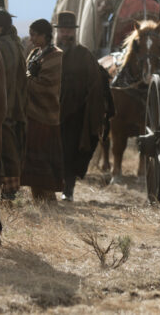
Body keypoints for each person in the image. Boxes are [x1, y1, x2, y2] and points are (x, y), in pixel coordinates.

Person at [54, 11, 109, 202]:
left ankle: (68, 189)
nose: (65, 34)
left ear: (74, 32)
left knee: (71, 153)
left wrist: (91, 112)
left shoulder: (84, 55)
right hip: (51, 112)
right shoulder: (51, 53)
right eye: (62, 30)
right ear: (57, 32)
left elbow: (95, 85)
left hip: (76, 114)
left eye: (69, 30)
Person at [0, 2, 27, 198]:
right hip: (8, 104)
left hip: (5, 105)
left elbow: (2, 77)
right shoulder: (10, 43)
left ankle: (9, 191)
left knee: (7, 148)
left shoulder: (4, 46)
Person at [21, 19, 64, 201]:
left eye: (34, 35)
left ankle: (47, 197)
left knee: (44, 159)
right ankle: (37, 196)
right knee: (32, 159)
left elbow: (49, 85)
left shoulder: (55, 56)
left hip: (46, 115)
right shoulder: (34, 53)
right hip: (31, 114)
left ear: (44, 35)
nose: (31, 39)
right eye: (30, 35)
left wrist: (24, 80)